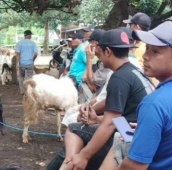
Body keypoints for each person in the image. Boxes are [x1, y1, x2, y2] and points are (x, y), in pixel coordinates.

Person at [58, 29, 154, 170]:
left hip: (128, 135)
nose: (99, 58)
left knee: (73, 129)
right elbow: (125, 116)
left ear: (108, 51)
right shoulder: (135, 72)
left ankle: (72, 163)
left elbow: (110, 124)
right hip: (136, 130)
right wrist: (96, 119)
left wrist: (84, 155)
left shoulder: (119, 77)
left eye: (99, 52)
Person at [99, 21, 172, 170]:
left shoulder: (153, 103)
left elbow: (134, 166)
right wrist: (149, 128)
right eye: (147, 49)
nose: (145, 56)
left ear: (107, 51)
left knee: (119, 141)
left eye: (155, 52)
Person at [15, 30, 38, 95]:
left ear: (24, 35)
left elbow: (17, 54)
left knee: (21, 77)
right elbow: (36, 54)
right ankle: (29, 90)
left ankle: (22, 91)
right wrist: (33, 59)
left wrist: (17, 63)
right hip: (30, 63)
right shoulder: (33, 43)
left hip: (22, 63)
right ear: (29, 35)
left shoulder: (19, 43)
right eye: (30, 35)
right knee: (30, 77)